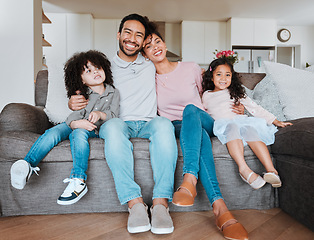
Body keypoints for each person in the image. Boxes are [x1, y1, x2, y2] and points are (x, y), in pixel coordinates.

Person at [69, 14, 177, 235]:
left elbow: (174, 70)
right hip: (118, 121)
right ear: (119, 35)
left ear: (143, 41)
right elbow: (86, 85)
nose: (132, 39)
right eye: (128, 32)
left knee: (165, 125)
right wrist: (72, 100)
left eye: (139, 35)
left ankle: (160, 204)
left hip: (149, 122)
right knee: (112, 128)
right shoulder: (104, 67)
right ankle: (134, 203)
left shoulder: (150, 62)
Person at [142, 23, 248, 240]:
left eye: (157, 41)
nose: (155, 47)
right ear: (144, 55)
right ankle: (220, 209)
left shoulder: (190, 67)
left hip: (204, 119)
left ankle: (189, 178)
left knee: (192, 110)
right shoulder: (147, 79)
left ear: (164, 43)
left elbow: (211, 93)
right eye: (148, 46)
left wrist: (238, 105)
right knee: (199, 138)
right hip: (177, 127)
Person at [10, 50, 120, 206]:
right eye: (88, 70)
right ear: (81, 79)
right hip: (74, 123)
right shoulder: (82, 94)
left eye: (98, 68)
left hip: (91, 129)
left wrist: (100, 114)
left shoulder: (113, 92)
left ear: (105, 70)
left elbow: (114, 114)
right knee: (53, 132)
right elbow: (75, 116)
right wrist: (75, 123)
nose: (95, 71)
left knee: (79, 134)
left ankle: (78, 180)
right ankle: (27, 164)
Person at [202, 57, 292, 190]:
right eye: (218, 74)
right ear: (211, 77)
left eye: (227, 75)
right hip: (225, 125)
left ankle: (272, 171)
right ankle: (244, 169)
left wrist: (275, 120)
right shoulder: (206, 95)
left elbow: (254, 107)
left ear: (232, 77)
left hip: (240, 121)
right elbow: (201, 111)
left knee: (250, 129)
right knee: (231, 127)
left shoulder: (235, 93)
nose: (223, 78)